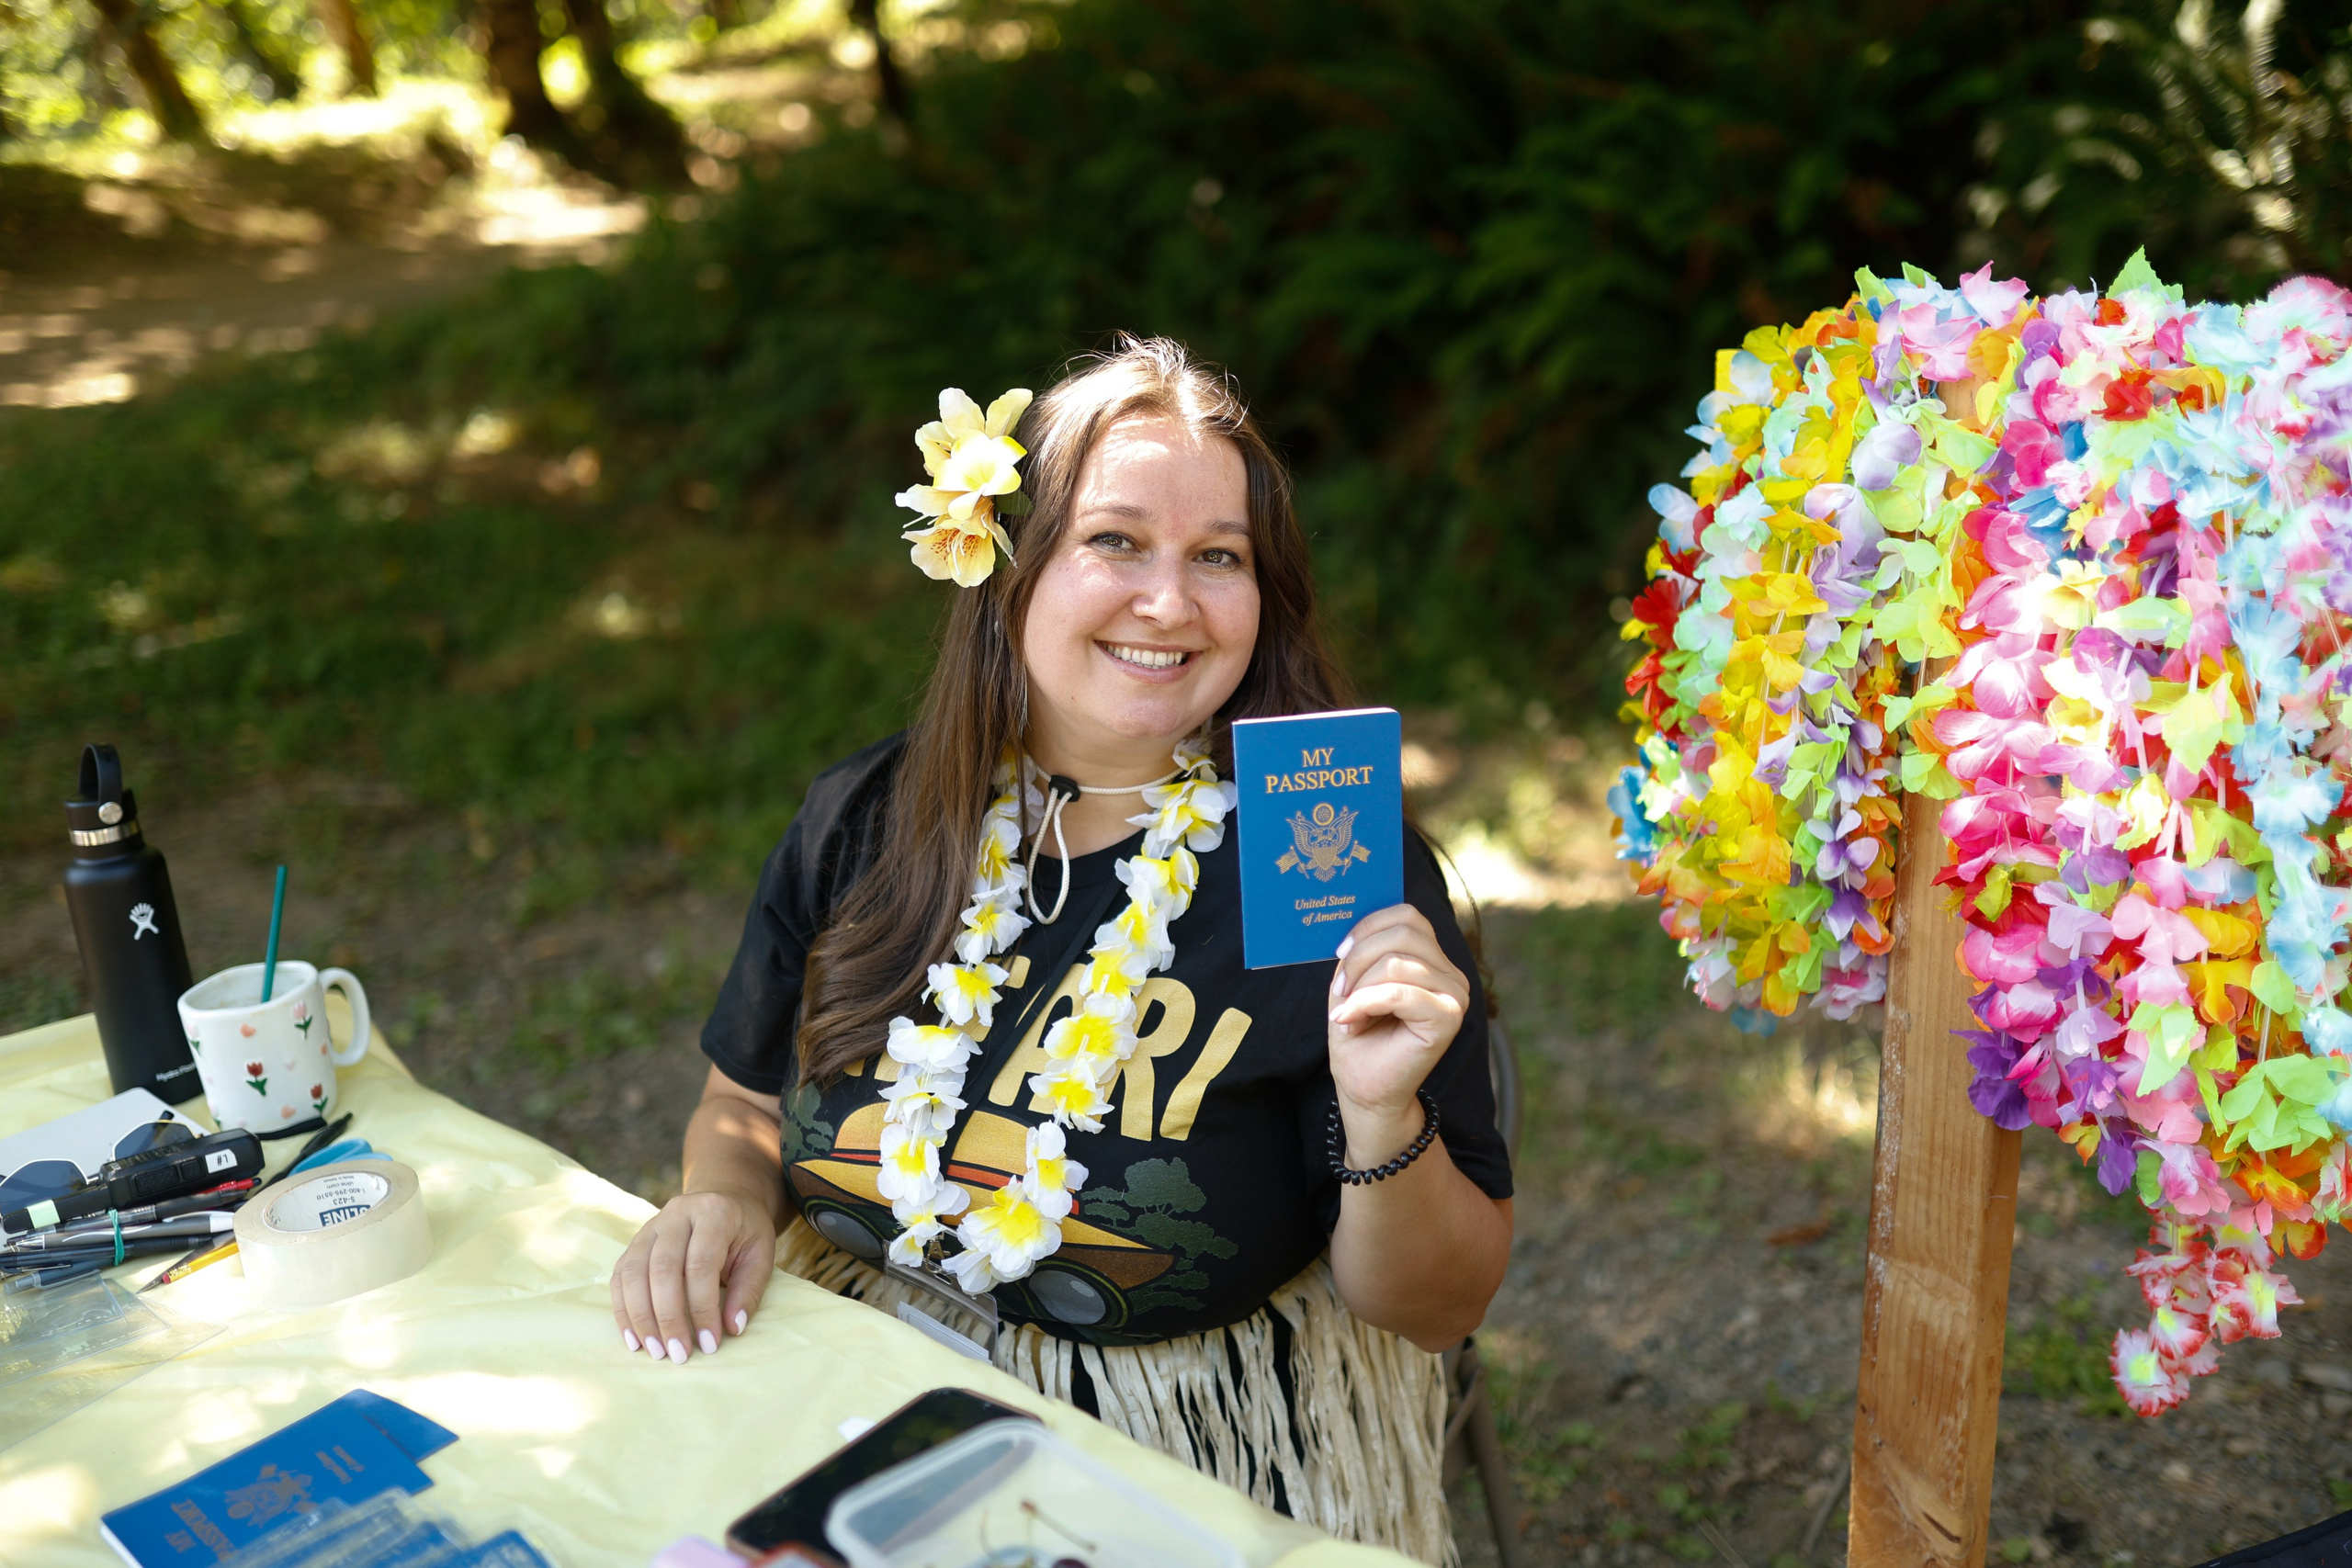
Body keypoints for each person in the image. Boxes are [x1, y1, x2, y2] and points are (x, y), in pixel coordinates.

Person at [609, 338, 1514, 1561]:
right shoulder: (868, 820)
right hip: (846, 1402)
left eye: (1219, 558)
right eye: (1115, 541)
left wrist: (1384, 1110)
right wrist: (718, 1196)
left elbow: (1438, 1304)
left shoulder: (1326, 864)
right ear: (1004, 567)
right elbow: (741, 1097)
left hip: (1171, 1461)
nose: (1170, 602)